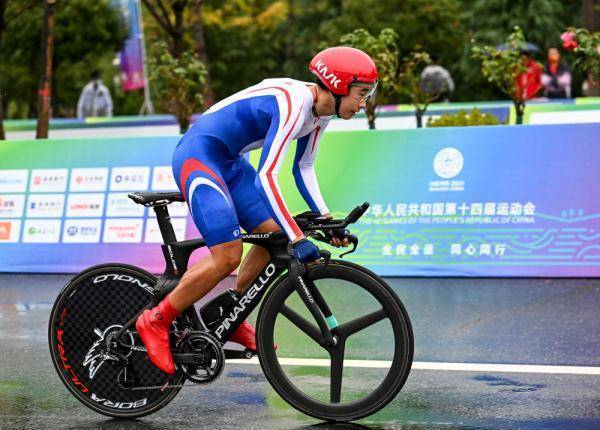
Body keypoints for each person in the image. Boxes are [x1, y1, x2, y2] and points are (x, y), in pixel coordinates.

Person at [136, 47, 379, 374]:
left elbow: (303, 168)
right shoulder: (295, 106)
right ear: (337, 86)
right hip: (199, 156)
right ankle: (155, 320)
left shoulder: (322, 113)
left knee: (273, 238)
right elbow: (267, 177)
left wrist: (324, 220)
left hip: (232, 163)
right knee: (228, 255)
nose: (363, 103)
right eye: (361, 94)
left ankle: (230, 313)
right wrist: (298, 237)